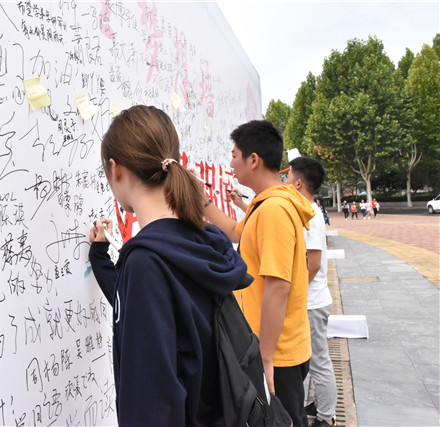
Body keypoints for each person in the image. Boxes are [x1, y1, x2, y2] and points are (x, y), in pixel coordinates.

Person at [87, 105, 250, 426]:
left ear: (115, 169)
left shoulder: (147, 262)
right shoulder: (203, 239)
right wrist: (100, 257)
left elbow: (152, 405)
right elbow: (148, 309)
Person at [203, 119, 314, 427]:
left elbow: (278, 286)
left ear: (253, 159)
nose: (230, 163)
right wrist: (203, 201)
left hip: (277, 354)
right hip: (273, 347)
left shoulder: (274, 210)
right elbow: (234, 232)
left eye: (234, 155)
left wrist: (264, 357)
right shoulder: (263, 205)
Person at [285, 157, 337, 427]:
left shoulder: (312, 216)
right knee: (311, 359)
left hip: (312, 303)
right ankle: (318, 406)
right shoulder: (306, 211)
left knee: (318, 361)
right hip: (311, 301)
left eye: (287, 177)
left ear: (298, 183)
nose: (284, 182)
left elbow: (313, 264)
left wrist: (291, 297)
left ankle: (326, 417)